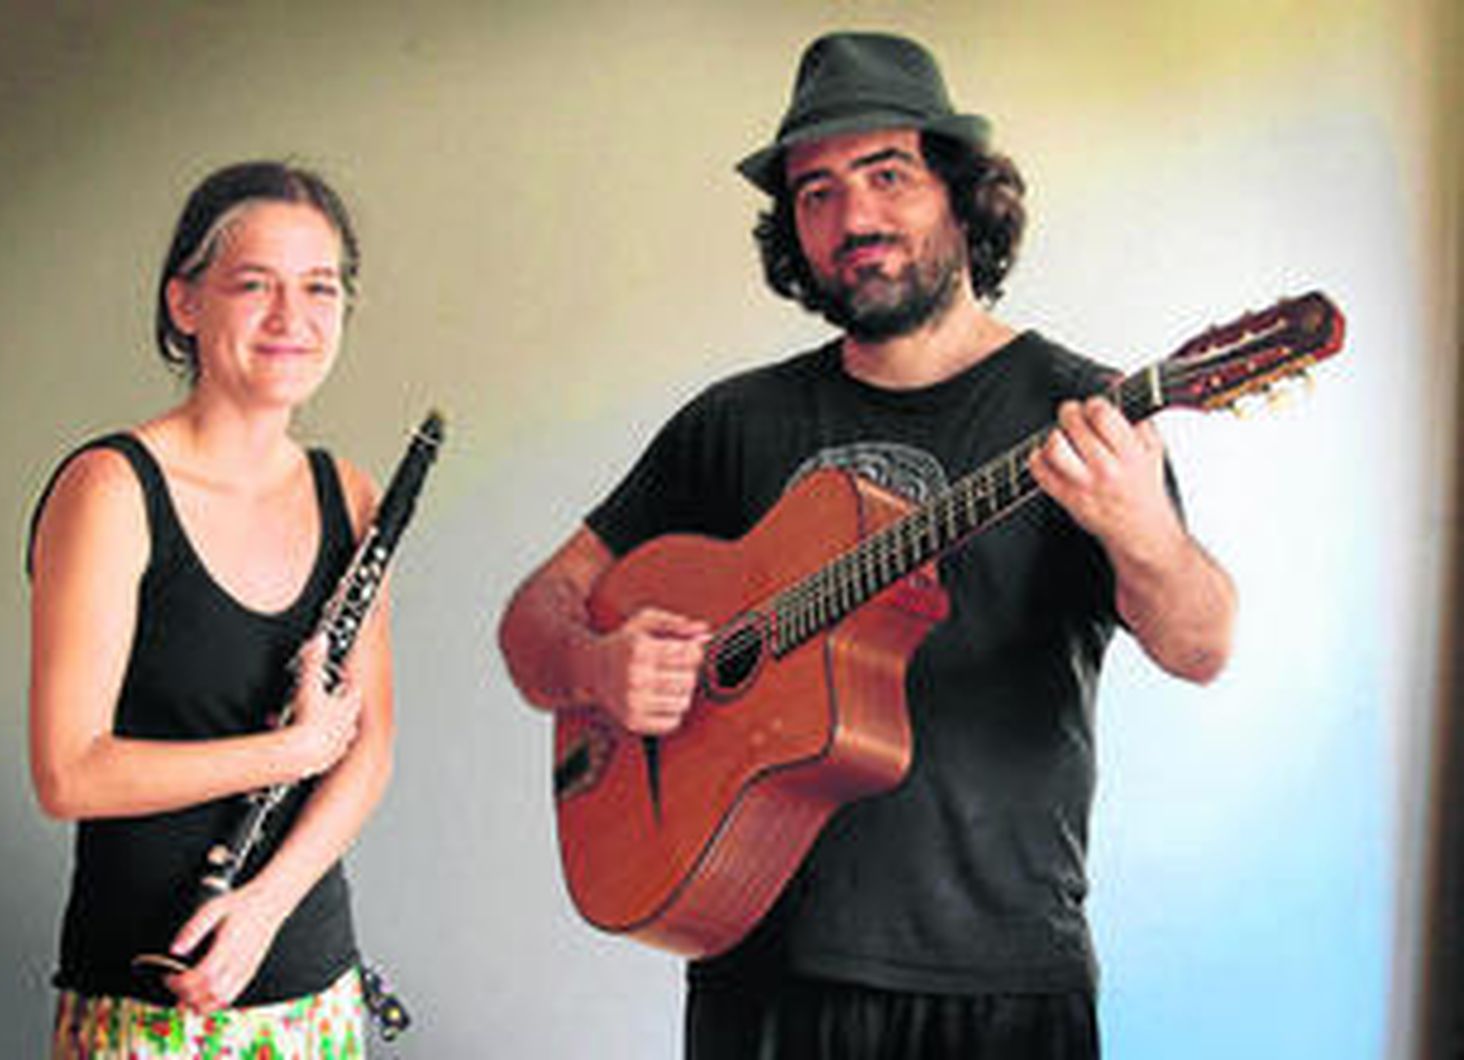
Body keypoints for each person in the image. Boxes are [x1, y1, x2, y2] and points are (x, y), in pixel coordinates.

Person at [498, 31, 1236, 1060]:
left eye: (887, 174)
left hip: (999, 983)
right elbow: (535, 612)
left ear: (959, 192)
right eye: (815, 193)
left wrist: (1142, 530)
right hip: (757, 974)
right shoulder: (733, 423)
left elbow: (1201, 645)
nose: (853, 218)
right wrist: (594, 664)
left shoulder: (1080, 413)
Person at [28, 161, 393, 1057]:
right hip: (149, 1007)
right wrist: (288, 751)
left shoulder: (347, 494)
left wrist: (265, 909)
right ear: (185, 304)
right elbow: (68, 773)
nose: (292, 319)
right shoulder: (110, 489)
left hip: (312, 991)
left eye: (320, 287)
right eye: (254, 285)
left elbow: (370, 746)